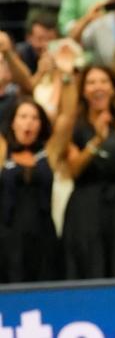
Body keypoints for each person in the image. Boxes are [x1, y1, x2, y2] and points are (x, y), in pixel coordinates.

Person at [0, 43, 77, 282]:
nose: (29, 123)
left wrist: (65, 75)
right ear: (12, 122)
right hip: (7, 242)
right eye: (23, 117)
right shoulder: (2, 151)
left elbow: (67, 117)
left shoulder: (48, 154)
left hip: (45, 241)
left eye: (34, 118)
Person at [61, 64, 115, 279]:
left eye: (103, 81)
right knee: (89, 268)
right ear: (83, 90)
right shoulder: (74, 125)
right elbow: (73, 170)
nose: (98, 87)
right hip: (84, 207)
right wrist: (97, 140)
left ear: (113, 88)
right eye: (91, 82)